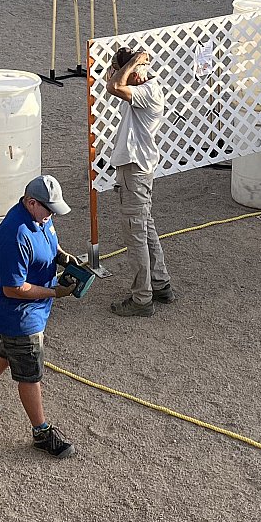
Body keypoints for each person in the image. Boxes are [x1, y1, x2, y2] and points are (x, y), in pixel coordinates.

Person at [0, 175, 81, 460]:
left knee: (6, 351)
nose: (52, 215)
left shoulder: (41, 217)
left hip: (29, 310)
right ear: (31, 202)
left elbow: (49, 239)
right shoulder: (14, 234)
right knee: (30, 374)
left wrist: (62, 257)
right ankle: (41, 433)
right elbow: (13, 289)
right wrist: (55, 292)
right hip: (18, 314)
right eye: (49, 209)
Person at [103, 44, 174, 318]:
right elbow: (114, 81)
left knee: (136, 235)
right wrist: (130, 64)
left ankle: (142, 298)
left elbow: (113, 86)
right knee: (145, 228)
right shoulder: (146, 87)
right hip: (139, 171)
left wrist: (131, 63)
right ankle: (160, 283)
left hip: (135, 171)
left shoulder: (145, 92)